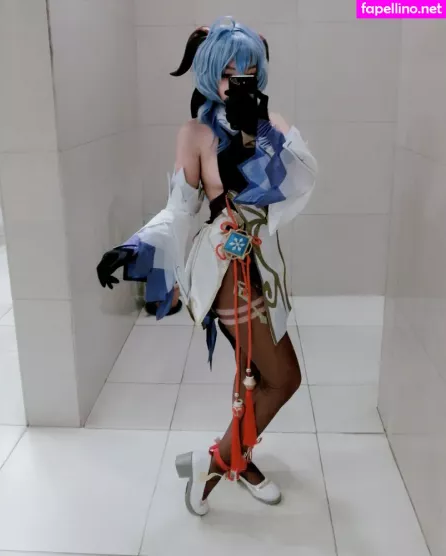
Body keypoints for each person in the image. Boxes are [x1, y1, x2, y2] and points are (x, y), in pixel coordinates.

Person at [96, 16, 317, 516]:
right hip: (226, 271)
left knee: (254, 375)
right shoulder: (195, 134)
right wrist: (136, 246)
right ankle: (215, 465)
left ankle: (237, 458)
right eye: (228, 71)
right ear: (210, 71)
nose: (236, 79)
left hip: (267, 267)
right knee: (283, 378)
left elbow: (298, 181)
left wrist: (257, 131)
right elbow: (180, 209)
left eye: (247, 70)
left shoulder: (273, 124)